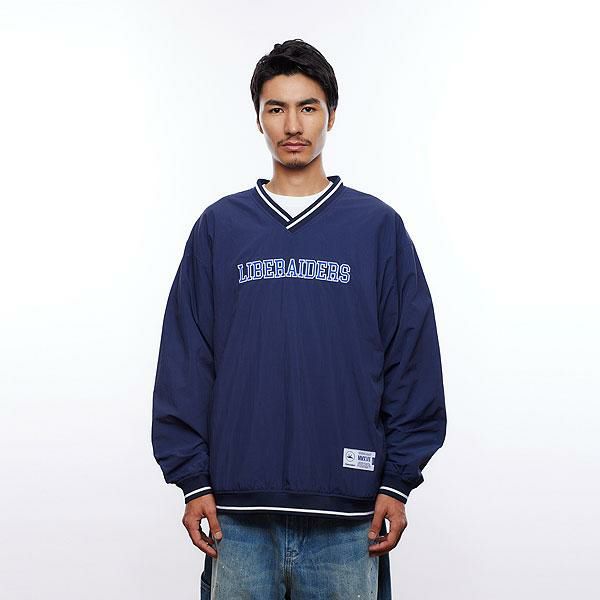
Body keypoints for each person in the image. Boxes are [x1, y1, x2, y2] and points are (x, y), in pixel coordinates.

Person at [151, 39, 447, 599]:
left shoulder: (376, 228)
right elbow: (186, 360)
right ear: (259, 118)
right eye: (277, 108)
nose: (293, 125)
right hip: (237, 518)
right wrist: (192, 481)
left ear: (330, 115)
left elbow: (411, 358)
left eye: (308, 107)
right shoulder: (220, 228)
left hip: (350, 516)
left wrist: (398, 481)